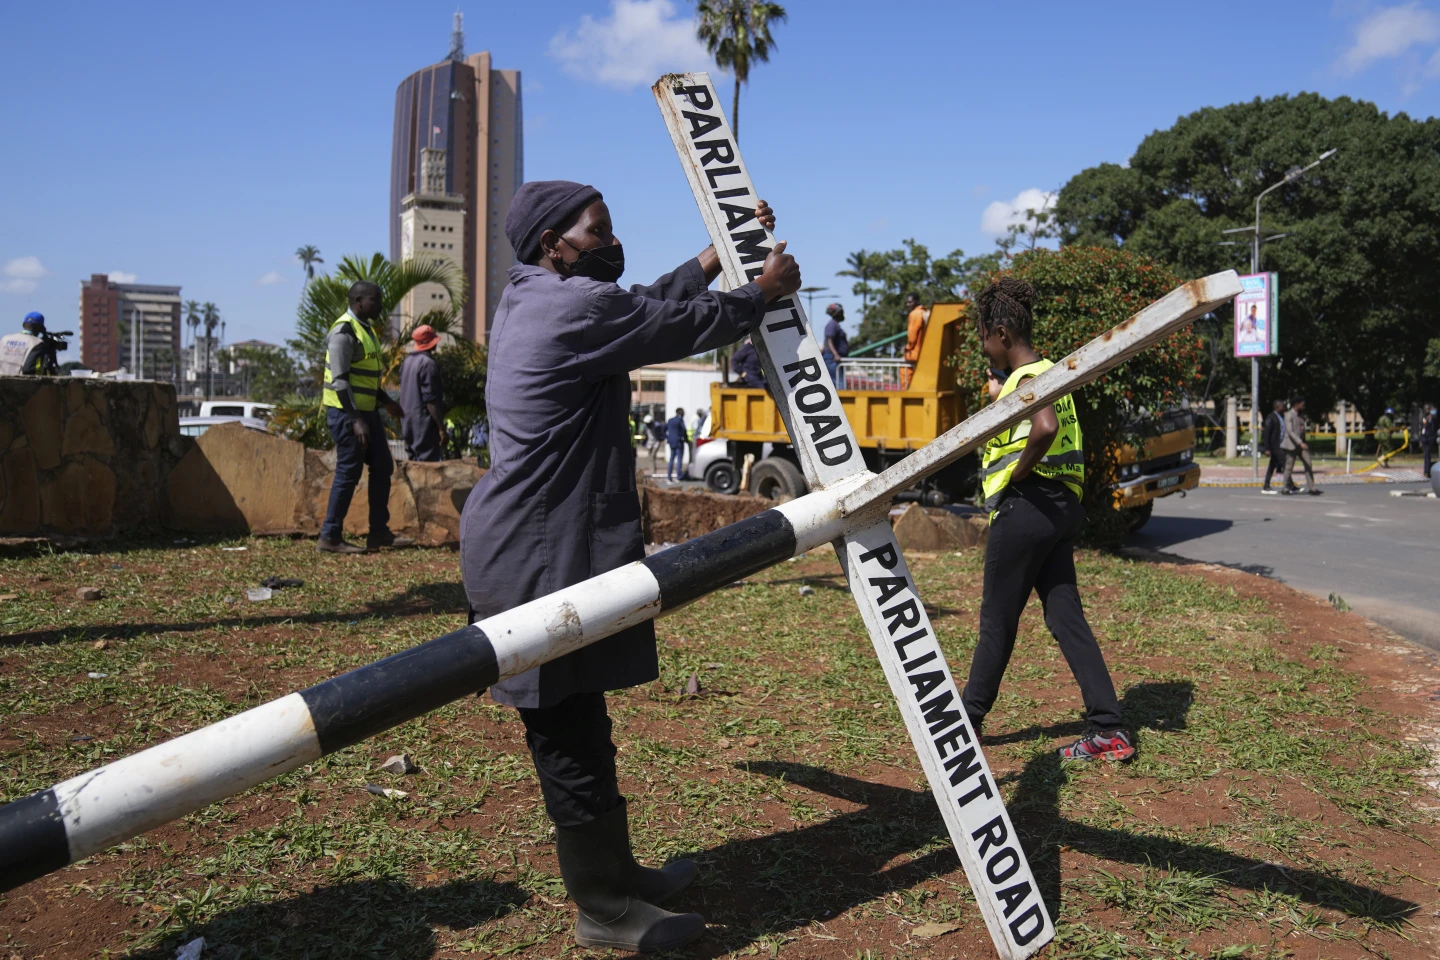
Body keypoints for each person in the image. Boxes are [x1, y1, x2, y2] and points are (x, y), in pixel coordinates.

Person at [459, 180, 797, 952]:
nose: (611, 240)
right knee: (566, 734)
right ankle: (604, 909)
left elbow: (647, 300)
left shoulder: (538, 296)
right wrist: (759, 292)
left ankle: (617, 874)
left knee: (583, 717)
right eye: (598, 229)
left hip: (541, 546)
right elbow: (672, 321)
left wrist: (718, 252)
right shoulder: (573, 309)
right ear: (555, 241)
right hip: (533, 557)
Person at [960, 277, 1133, 763]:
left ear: (1002, 334)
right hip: (1061, 510)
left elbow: (1045, 427)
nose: (982, 347)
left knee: (997, 621)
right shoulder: (1055, 374)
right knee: (1064, 616)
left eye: (983, 337)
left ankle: (964, 722)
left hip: (1026, 506)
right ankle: (1108, 728)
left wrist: (1016, 474)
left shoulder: (1027, 380)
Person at [317, 281, 415, 554]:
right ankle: (330, 536)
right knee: (348, 472)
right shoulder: (343, 332)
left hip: (367, 412)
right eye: (376, 300)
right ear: (359, 301)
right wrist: (355, 419)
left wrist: (386, 403)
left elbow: (366, 378)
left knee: (383, 466)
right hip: (347, 414)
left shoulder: (366, 330)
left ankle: (379, 532)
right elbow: (340, 381)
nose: (381, 305)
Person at [398, 324, 447, 462]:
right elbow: (431, 400)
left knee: (413, 468)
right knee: (427, 470)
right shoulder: (428, 364)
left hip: (407, 424)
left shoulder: (407, 362)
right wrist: (441, 428)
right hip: (424, 427)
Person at [1281, 396, 1322, 495]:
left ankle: (1312, 488)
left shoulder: (1300, 415)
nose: (1303, 406)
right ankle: (1285, 487)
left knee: (1308, 464)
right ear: (1296, 404)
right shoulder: (1289, 415)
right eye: (1302, 404)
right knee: (1289, 467)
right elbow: (1290, 431)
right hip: (1292, 445)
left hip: (1302, 444)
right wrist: (1300, 442)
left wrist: (1303, 442)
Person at [0, 312, 50, 376]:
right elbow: (29, 370)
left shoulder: (5, 339)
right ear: (40, 329)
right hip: (21, 383)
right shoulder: (37, 343)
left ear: (23, 325)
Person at [1260, 399, 1287, 494]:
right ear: (1277, 407)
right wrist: (1267, 448)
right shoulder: (1271, 418)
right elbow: (1266, 434)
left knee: (1272, 466)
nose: (1284, 408)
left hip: (1280, 444)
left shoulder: (1281, 417)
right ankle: (1290, 485)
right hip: (1274, 446)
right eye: (1282, 406)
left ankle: (1266, 485)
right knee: (1285, 464)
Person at [901, 292, 928, 388]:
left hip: (916, 352)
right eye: (907, 303)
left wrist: (907, 348)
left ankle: (907, 392)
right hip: (925, 352)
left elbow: (912, 335)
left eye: (910, 302)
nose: (908, 305)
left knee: (904, 367)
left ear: (917, 301)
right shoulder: (925, 312)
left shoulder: (915, 314)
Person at [821, 303, 849, 387]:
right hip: (832, 359)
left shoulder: (835, 325)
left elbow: (826, 343)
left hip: (834, 359)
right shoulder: (832, 325)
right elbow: (829, 341)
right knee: (840, 385)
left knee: (839, 383)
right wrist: (835, 354)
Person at [666, 407, 687, 481]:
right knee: (679, 460)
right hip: (678, 442)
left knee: (671, 460)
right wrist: (686, 440)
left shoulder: (670, 420)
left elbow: (666, 429)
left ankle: (669, 476)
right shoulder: (680, 420)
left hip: (671, 442)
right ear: (681, 413)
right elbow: (684, 430)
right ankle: (678, 476)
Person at [1421, 404, 1437, 479]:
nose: (1426, 410)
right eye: (1425, 409)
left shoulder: (1432, 418)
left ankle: (1427, 471)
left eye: (1427, 409)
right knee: (1426, 455)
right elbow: (1422, 428)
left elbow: (1433, 429)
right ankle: (1426, 471)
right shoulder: (1424, 417)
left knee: (1427, 455)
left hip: (1429, 438)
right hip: (1424, 437)